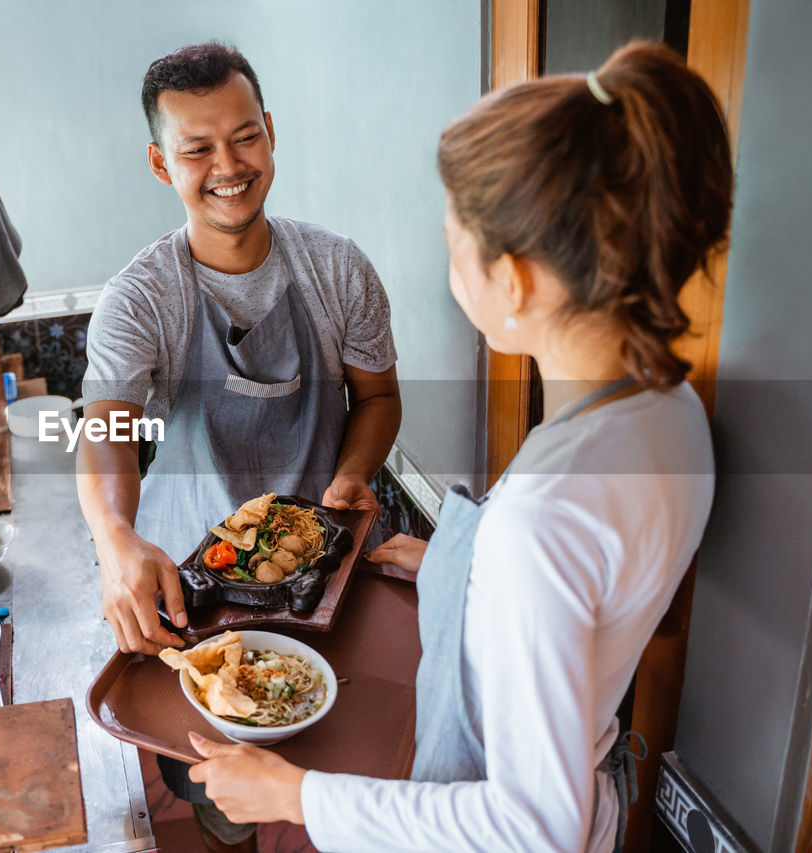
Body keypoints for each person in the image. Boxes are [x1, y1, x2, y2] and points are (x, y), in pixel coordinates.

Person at [186, 41, 732, 852]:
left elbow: (532, 826)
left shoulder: (543, 521)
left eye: (453, 244)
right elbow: (589, 596)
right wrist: (451, 564)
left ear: (512, 281)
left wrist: (299, 794)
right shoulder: (667, 409)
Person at [76, 41, 400, 851]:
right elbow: (105, 429)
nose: (228, 163)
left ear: (271, 133)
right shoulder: (140, 297)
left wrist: (354, 472)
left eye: (245, 136)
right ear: (162, 163)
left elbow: (380, 397)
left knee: (351, 776)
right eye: (197, 148)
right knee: (218, 790)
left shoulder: (338, 268)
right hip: (198, 595)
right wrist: (116, 538)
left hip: (329, 574)